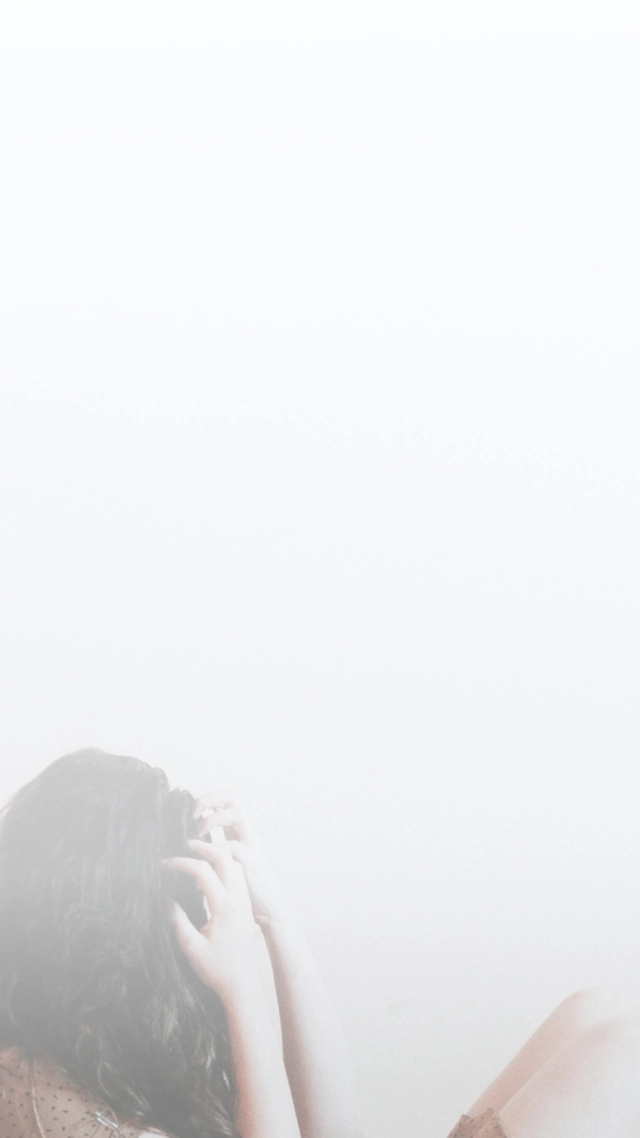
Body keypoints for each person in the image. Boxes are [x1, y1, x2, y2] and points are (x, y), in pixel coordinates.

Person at [2, 752, 640, 1138]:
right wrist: (241, 994)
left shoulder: (55, 1058)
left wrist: (270, 914)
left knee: (595, 1011)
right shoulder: (70, 1113)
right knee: (623, 1051)